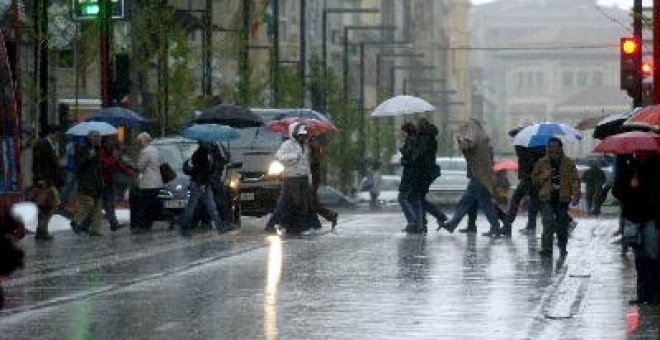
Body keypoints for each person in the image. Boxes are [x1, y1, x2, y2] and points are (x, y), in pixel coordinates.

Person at [439, 119, 502, 237]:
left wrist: (460, 139)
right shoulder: (483, 137)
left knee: (471, 202)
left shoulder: (473, 131)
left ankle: (452, 224)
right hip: (482, 175)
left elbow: (468, 144)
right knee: (482, 203)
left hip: (479, 176)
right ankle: (497, 226)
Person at [612, 153, 658, 305]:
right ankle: (643, 294)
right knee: (639, 256)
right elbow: (617, 191)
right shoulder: (630, 168)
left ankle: (652, 292)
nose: (641, 153)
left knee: (651, 254)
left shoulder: (656, 168)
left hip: (651, 218)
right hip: (633, 219)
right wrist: (629, 186)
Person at [264, 122, 319, 235]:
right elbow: (279, 157)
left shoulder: (305, 145)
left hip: (303, 177)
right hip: (291, 178)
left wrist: (309, 177)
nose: (302, 137)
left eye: (303, 135)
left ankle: (299, 227)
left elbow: (306, 163)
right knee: (287, 203)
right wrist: (294, 157)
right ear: (293, 133)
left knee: (303, 203)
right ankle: (275, 224)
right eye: (300, 134)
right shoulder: (287, 145)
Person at [531, 137, 580, 257]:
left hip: (562, 198)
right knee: (548, 223)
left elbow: (575, 179)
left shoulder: (568, 162)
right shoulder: (542, 162)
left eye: (553, 146)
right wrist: (544, 176)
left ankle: (562, 247)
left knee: (562, 225)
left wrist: (576, 195)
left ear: (559, 147)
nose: (551, 149)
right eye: (549, 146)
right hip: (547, 197)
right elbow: (534, 179)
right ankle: (546, 248)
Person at [180, 142, 226, 236]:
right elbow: (202, 171)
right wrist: (202, 183)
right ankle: (185, 226)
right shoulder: (202, 154)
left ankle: (219, 226)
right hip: (200, 183)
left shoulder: (202, 154)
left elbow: (205, 170)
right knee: (197, 206)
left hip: (202, 183)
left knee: (206, 205)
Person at [505, 127, 545, 235]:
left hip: (529, 178)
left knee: (516, 199)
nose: (513, 140)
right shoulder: (536, 145)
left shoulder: (523, 146)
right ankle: (531, 226)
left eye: (514, 137)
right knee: (536, 202)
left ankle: (507, 225)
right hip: (534, 177)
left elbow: (526, 162)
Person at [415, 118, 447, 230]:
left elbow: (420, 154)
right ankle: (423, 221)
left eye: (417, 125)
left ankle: (438, 216)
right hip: (427, 171)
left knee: (418, 198)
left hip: (423, 172)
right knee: (419, 198)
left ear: (421, 126)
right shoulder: (429, 137)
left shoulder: (424, 138)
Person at [71, 131, 104, 236]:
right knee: (89, 204)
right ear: (90, 138)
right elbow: (79, 165)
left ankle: (95, 230)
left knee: (98, 208)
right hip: (86, 182)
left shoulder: (98, 150)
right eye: (96, 136)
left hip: (97, 182)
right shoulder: (83, 149)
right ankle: (75, 221)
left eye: (99, 136)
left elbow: (98, 167)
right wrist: (88, 157)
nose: (99, 138)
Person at [32, 124, 62, 240]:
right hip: (45, 180)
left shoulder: (51, 144)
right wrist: (40, 178)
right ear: (51, 133)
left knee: (46, 205)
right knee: (51, 204)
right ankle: (42, 231)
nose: (58, 137)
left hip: (50, 180)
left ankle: (41, 231)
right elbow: (37, 162)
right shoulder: (43, 144)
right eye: (57, 134)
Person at [130, 132, 163, 233]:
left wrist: (131, 165)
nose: (138, 144)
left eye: (139, 142)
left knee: (144, 205)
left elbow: (140, 167)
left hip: (148, 183)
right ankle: (148, 224)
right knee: (151, 205)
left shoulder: (145, 151)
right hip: (156, 182)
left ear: (143, 141)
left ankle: (144, 226)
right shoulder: (155, 150)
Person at [100, 136, 133, 231]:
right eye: (111, 140)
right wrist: (115, 158)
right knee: (101, 203)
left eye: (113, 140)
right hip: (102, 181)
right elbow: (105, 165)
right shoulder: (102, 151)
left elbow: (117, 165)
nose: (113, 142)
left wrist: (127, 172)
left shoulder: (109, 151)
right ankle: (79, 223)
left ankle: (113, 223)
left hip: (109, 180)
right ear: (105, 141)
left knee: (109, 203)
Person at [398, 122, 423, 233]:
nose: (402, 134)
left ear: (407, 131)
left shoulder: (411, 142)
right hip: (416, 174)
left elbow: (410, 159)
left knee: (402, 198)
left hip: (410, 175)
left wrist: (402, 150)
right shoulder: (415, 141)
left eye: (403, 132)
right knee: (415, 200)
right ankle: (419, 225)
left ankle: (412, 221)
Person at [309, 136, 338, 229]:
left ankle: (329, 215)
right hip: (313, 176)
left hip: (312, 177)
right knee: (310, 201)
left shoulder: (313, 146)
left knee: (311, 200)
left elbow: (313, 161)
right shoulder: (314, 145)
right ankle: (324, 218)